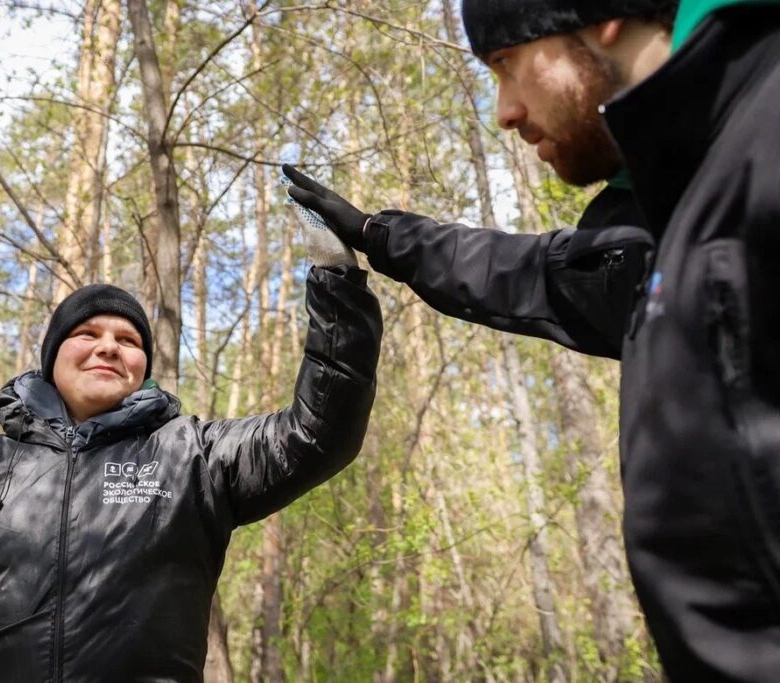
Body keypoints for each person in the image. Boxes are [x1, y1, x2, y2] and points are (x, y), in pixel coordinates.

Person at [285, 0, 780, 679]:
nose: (505, 111)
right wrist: (377, 236)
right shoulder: (681, 219)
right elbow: (535, 275)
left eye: (507, 64)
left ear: (603, 15)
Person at [0, 222, 381, 681]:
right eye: (86, 332)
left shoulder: (192, 455)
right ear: (53, 357)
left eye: (128, 341)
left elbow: (316, 433)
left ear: (142, 368)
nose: (108, 346)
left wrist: (336, 283)